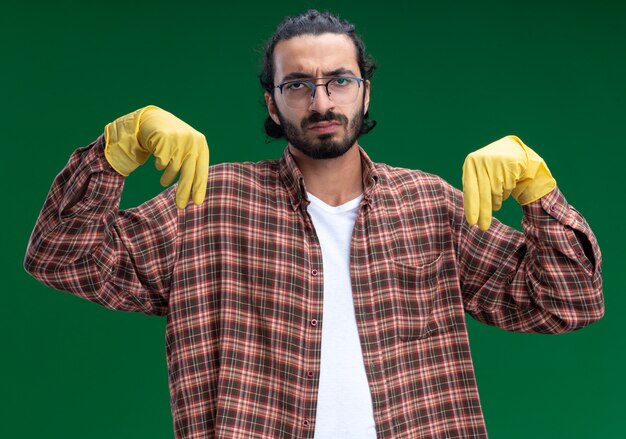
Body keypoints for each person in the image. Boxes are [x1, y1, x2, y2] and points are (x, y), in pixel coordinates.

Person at [24, 9, 604, 439]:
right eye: (297, 85)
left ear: (365, 89)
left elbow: (565, 304)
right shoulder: (207, 204)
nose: (321, 101)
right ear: (273, 104)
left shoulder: (431, 206)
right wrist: (112, 153)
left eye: (339, 80)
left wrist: (540, 194)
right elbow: (62, 257)